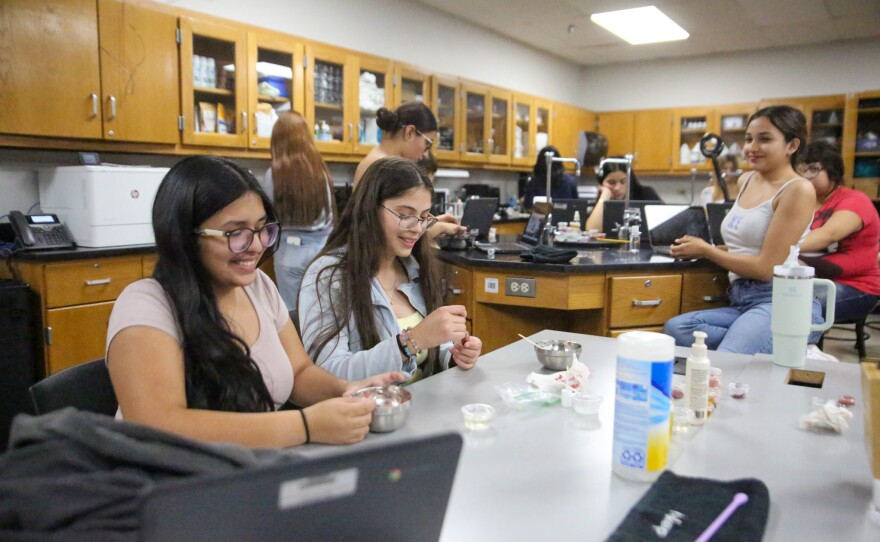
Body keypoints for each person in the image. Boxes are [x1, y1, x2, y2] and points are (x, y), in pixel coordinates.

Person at [106, 155, 403, 449]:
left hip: (255, 466)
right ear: (185, 235)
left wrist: (347, 391)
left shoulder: (258, 286)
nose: (258, 245)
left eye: (262, 229)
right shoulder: (147, 305)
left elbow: (298, 372)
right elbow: (158, 426)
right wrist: (304, 426)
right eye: (236, 233)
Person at [299, 156, 483, 382]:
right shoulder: (328, 275)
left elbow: (431, 350)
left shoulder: (415, 268)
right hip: (371, 404)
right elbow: (327, 375)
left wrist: (453, 356)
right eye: (405, 215)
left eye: (424, 217)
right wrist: (409, 343)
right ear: (370, 208)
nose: (417, 228)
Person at [663, 105, 820, 354]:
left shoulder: (797, 189)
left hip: (781, 301)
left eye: (764, 139)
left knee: (727, 358)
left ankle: (768, 343)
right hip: (742, 298)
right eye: (749, 139)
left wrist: (707, 251)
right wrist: (703, 247)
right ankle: (757, 346)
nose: (752, 147)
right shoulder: (746, 180)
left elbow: (766, 268)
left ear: (792, 145)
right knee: (677, 329)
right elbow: (747, 246)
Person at [796, 141, 880, 321]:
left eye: (813, 169)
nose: (806, 176)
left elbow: (828, 235)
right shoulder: (802, 200)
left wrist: (779, 247)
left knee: (795, 305)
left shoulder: (855, 200)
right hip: (809, 279)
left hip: (855, 286)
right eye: (802, 170)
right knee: (766, 298)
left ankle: (809, 337)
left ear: (833, 171)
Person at [264, 111, 336, 310]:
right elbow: (329, 218)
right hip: (321, 251)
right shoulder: (321, 172)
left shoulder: (273, 174)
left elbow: (269, 218)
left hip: (288, 254)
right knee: (321, 313)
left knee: (292, 314)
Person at [353, 102, 438, 186]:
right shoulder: (389, 169)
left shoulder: (372, 160)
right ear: (409, 132)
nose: (425, 154)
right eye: (428, 143)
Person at [585, 159, 658, 232]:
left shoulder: (646, 194)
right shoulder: (600, 201)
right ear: (601, 184)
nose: (617, 188)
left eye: (623, 181)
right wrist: (605, 195)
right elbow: (591, 230)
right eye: (611, 182)